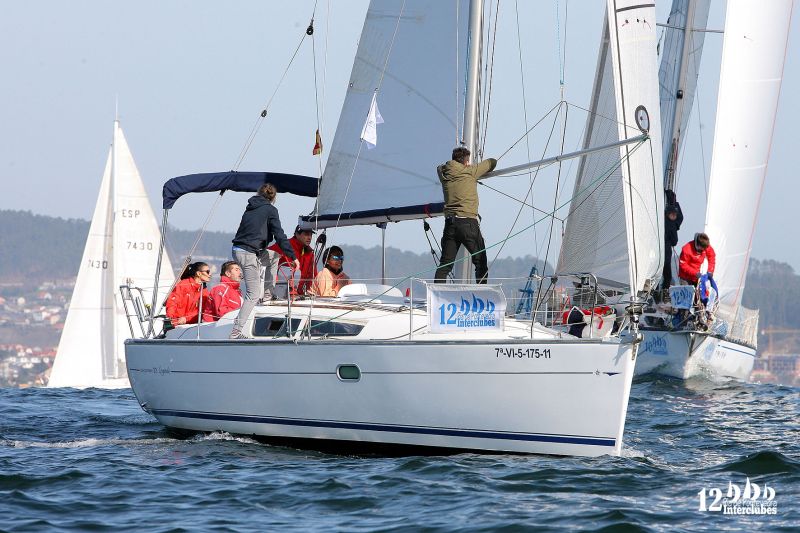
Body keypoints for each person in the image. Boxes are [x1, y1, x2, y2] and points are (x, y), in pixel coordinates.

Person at [230, 183, 300, 338]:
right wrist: (293, 256)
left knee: (274, 256)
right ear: (274, 198)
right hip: (248, 253)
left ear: (259, 193)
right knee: (253, 294)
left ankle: (268, 296)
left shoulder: (250, 207)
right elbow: (279, 235)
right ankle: (236, 331)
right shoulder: (271, 210)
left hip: (243, 250)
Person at [433, 146, 497, 284]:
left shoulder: (443, 173)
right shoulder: (470, 171)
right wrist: (470, 167)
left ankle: (437, 294)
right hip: (468, 223)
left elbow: (440, 167)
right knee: (480, 262)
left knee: (445, 265)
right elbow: (492, 162)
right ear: (466, 162)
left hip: (450, 224)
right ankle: (480, 293)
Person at [268, 225, 317, 296]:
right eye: (306, 234)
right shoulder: (285, 246)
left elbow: (312, 276)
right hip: (280, 293)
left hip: (299, 295)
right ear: (297, 234)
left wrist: (310, 290)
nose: (309, 237)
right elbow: (264, 255)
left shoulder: (310, 254)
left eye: (311, 235)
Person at [662, 189, 684, 293]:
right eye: (672, 215)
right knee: (667, 274)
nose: (674, 216)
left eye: (675, 215)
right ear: (668, 214)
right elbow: (675, 242)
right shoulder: (671, 224)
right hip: (664, 250)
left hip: (664, 250)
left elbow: (680, 217)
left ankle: (664, 290)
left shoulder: (670, 220)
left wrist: (674, 201)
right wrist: (674, 201)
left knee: (667, 274)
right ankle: (664, 290)